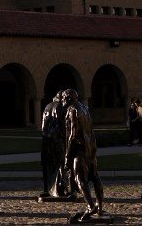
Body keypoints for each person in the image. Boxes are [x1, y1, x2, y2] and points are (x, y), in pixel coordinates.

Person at [62, 89, 104, 221]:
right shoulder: (85, 108)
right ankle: (100, 207)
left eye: (63, 98)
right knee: (95, 177)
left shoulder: (72, 110)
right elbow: (91, 130)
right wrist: (93, 149)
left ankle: (90, 206)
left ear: (69, 98)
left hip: (79, 149)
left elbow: (72, 135)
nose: (62, 100)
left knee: (79, 179)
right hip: (90, 148)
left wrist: (68, 156)